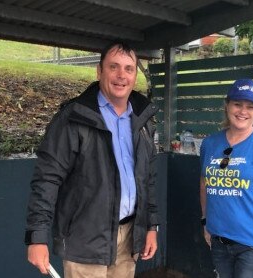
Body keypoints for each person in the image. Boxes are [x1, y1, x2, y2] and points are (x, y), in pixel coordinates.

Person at [25, 41, 160, 278]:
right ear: (99, 71)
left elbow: (147, 179)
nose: (121, 75)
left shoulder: (142, 119)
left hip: (129, 238)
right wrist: (37, 237)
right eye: (113, 67)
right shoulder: (74, 117)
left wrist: (151, 226)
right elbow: (47, 180)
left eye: (129, 69)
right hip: (85, 241)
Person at [199, 79, 253, 278]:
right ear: (227, 105)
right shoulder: (210, 144)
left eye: (250, 106)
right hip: (219, 242)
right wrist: (205, 222)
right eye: (237, 104)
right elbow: (204, 184)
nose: (242, 111)